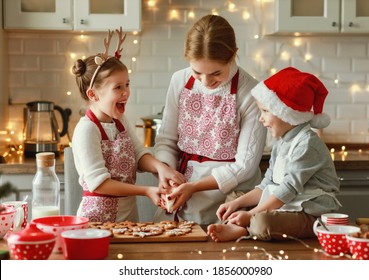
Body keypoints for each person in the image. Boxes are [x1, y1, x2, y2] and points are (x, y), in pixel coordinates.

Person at [153, 15, 267, 224]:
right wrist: (167, 172)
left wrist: (194, 187)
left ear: (233, 55)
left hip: (232, 200)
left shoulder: (251, 92)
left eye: (216, 73)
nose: (206, 81)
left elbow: (245, 166)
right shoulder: (179, 80)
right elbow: (166, 140)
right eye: (197, 72)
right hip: (181, 192)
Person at [207, 67, 341, 242]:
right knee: (235, 197)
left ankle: (244, 230)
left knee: (262, 222)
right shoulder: (281, 142)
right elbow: (267, 185)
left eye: (265, 111)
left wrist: (253, 213)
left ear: (287, 114)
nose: (260, 118)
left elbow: (288, 189)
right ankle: (243, 225)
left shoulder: (307, 144)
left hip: (311, 213)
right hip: (286, 205)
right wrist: (237, 204)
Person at [71, 28, 185, 223]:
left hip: (128, 218)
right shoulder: (87, 130)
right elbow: (99, 184)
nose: (126, 92)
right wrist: (146, 190)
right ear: (93, 95)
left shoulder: (120, 121)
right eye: (118, 87)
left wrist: (160, 168)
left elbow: (139, 154)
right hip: (97, 221)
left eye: (127, 84)